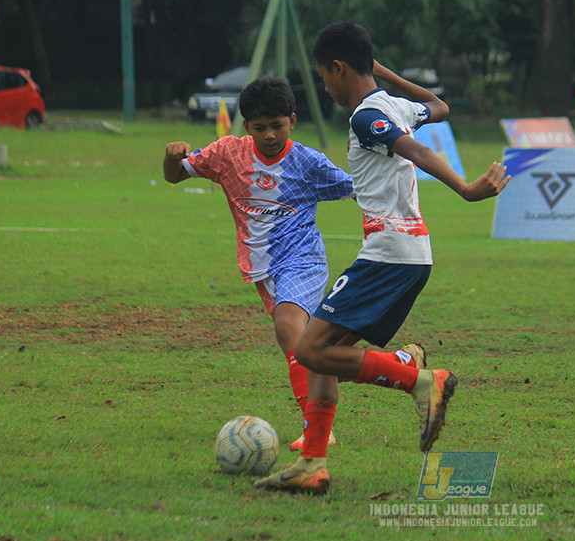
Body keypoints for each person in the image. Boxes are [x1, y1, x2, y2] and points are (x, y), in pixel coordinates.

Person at [254, 21, 509, 495]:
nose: (325, 86)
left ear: (337, 67)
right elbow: (438, 106)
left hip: (388, 253)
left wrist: (466, 189)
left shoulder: (365, 118)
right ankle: (312, 464)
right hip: (411, 253)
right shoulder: (392, 106)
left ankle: (421, 380)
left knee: (308, 349)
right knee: (321, 353)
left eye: (325, 76)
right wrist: (376, 70)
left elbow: (412, 148)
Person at [163, 76, 424, 452]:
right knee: (313, 354)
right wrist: (172, 157)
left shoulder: (307, 163)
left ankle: (316, 429)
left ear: (293, 121)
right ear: (247, 126)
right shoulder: (226, 155)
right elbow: (174, 175)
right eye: (260, 127)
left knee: (290, 330)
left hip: (303, 259)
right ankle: (401, 364)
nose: (269, 135)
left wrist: (396, 218)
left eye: (277, 126)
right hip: (262, 269)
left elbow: (359, 189)